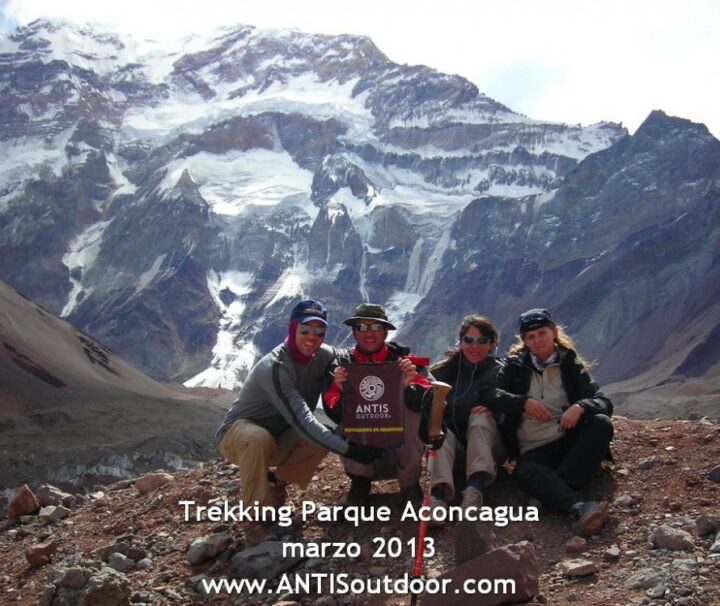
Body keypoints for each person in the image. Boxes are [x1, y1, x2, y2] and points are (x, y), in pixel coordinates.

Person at [215, 299, 382, 532]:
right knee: (260, 437)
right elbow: (302, 420)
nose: (312, 337)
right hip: (238, 435)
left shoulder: (322, 355)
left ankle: (275, 482)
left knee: (322, 437)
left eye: (319, 331)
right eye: (305, 330)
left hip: (280, 436)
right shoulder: (276, 367)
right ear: (293, 329)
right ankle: (257, 514)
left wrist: (392, 357)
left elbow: (349, 355)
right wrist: (350, 450)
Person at [491, 308, 614, 536]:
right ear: (524, 341)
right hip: (534, 448)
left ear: (554, 332)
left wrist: (580, 406)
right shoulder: (514, 367)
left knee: (601, 424)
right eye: (531, 336)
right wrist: (522, 402)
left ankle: (552, 495)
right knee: (525, 472)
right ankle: (576, 504)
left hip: (567, 438)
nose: (537, 340)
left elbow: (603, 402)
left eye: (542, 333)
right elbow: (489, 394)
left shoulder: (570, 365)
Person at [323, 303, 432, 506]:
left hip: (400, 450)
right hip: (364, 453)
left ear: (385, 331)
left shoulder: (404, 362)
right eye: (362, 327)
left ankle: (409, 484)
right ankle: (360, 482)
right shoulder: (342, 366)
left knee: (412, 413)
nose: (369, 333)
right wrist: (338, 389)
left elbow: (428, 401)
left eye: (376, 327)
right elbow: (334, 413)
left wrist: (409, 387)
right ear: (354, 332)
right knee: (346, 422)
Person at [422, 315, 509, 524]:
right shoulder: (445, 371)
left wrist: (496, 411)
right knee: (439, 429)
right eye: (469, 340)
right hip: (456, 452)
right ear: (460, 342)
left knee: (480, 416)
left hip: (490, 448)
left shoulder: (503, 372)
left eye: (482, 341)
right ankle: (437, 497)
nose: (474, 346)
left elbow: (513, 406)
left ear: (492, 344)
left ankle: (474, 490)